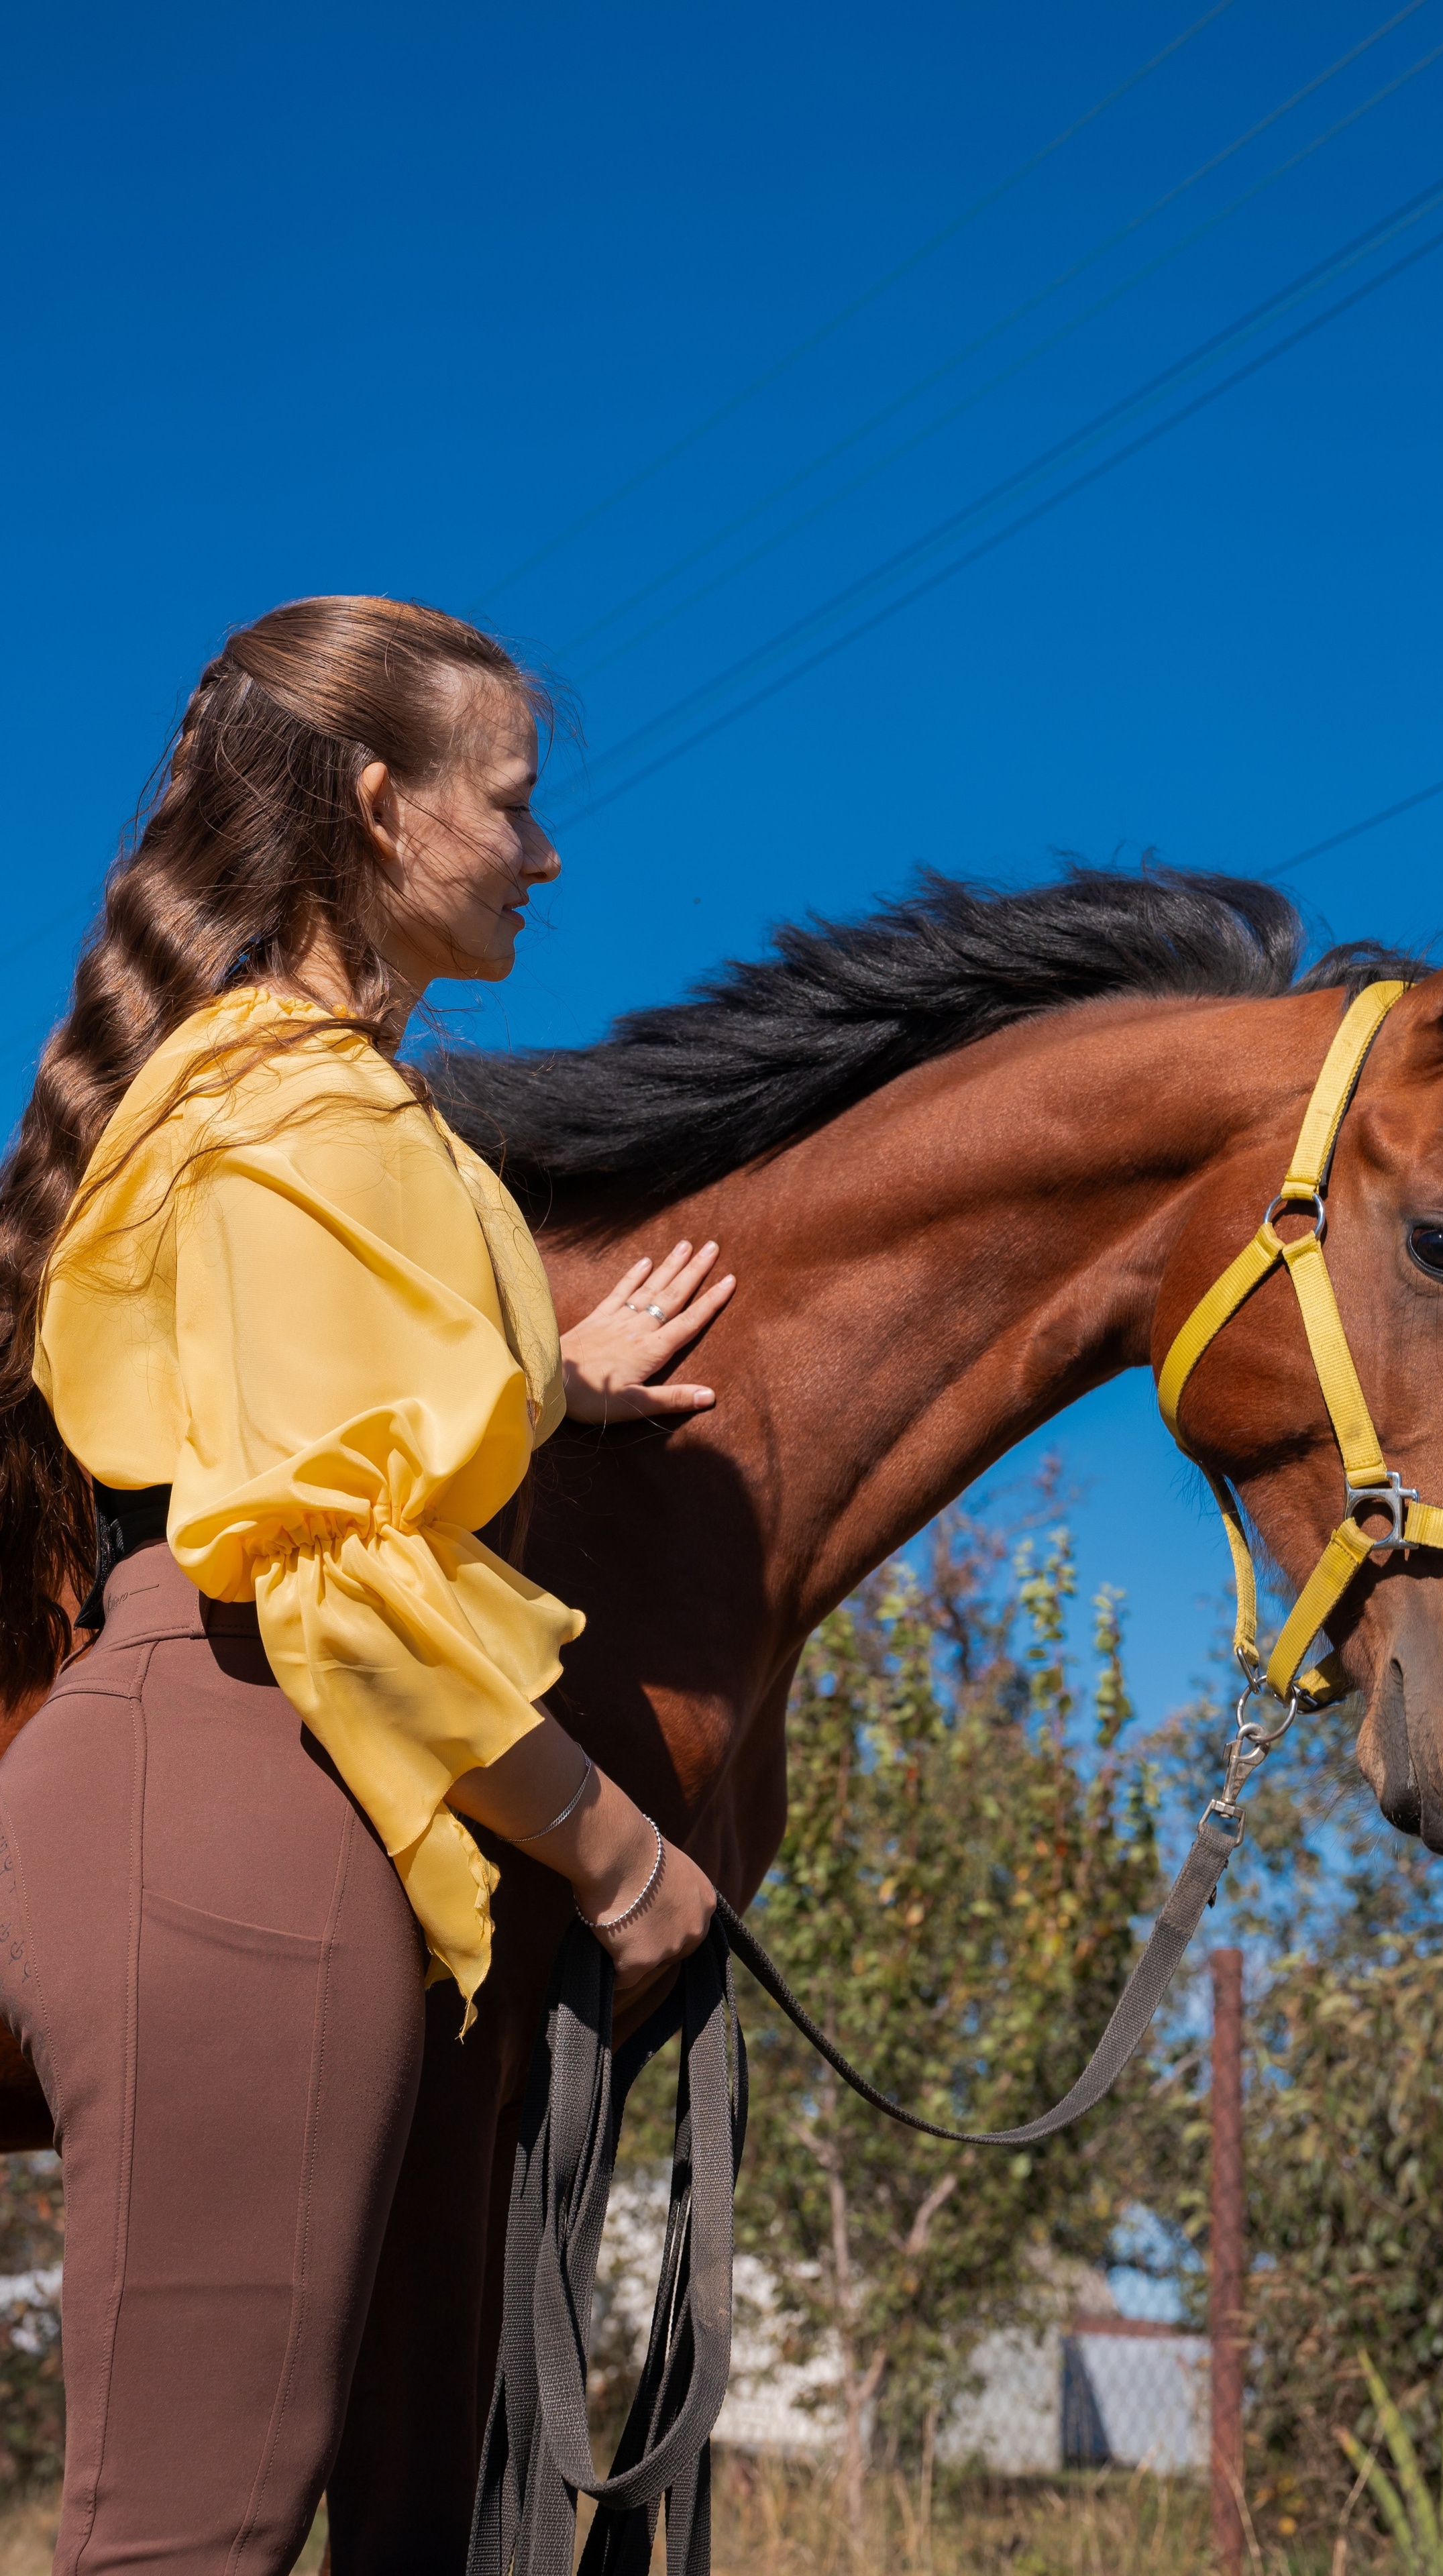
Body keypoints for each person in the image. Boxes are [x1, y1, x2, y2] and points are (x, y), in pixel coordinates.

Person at [0, 596, 733, 2574]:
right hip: (243, 1789)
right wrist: (620, 1863)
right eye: (515, 801)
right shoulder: (306, 1113)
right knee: (194, 2537)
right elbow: (328, 1565)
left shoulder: (279, 1093)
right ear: (384, 805)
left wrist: (550, 1380)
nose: (546, 853)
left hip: (198, 1779)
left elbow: (308, 1399)